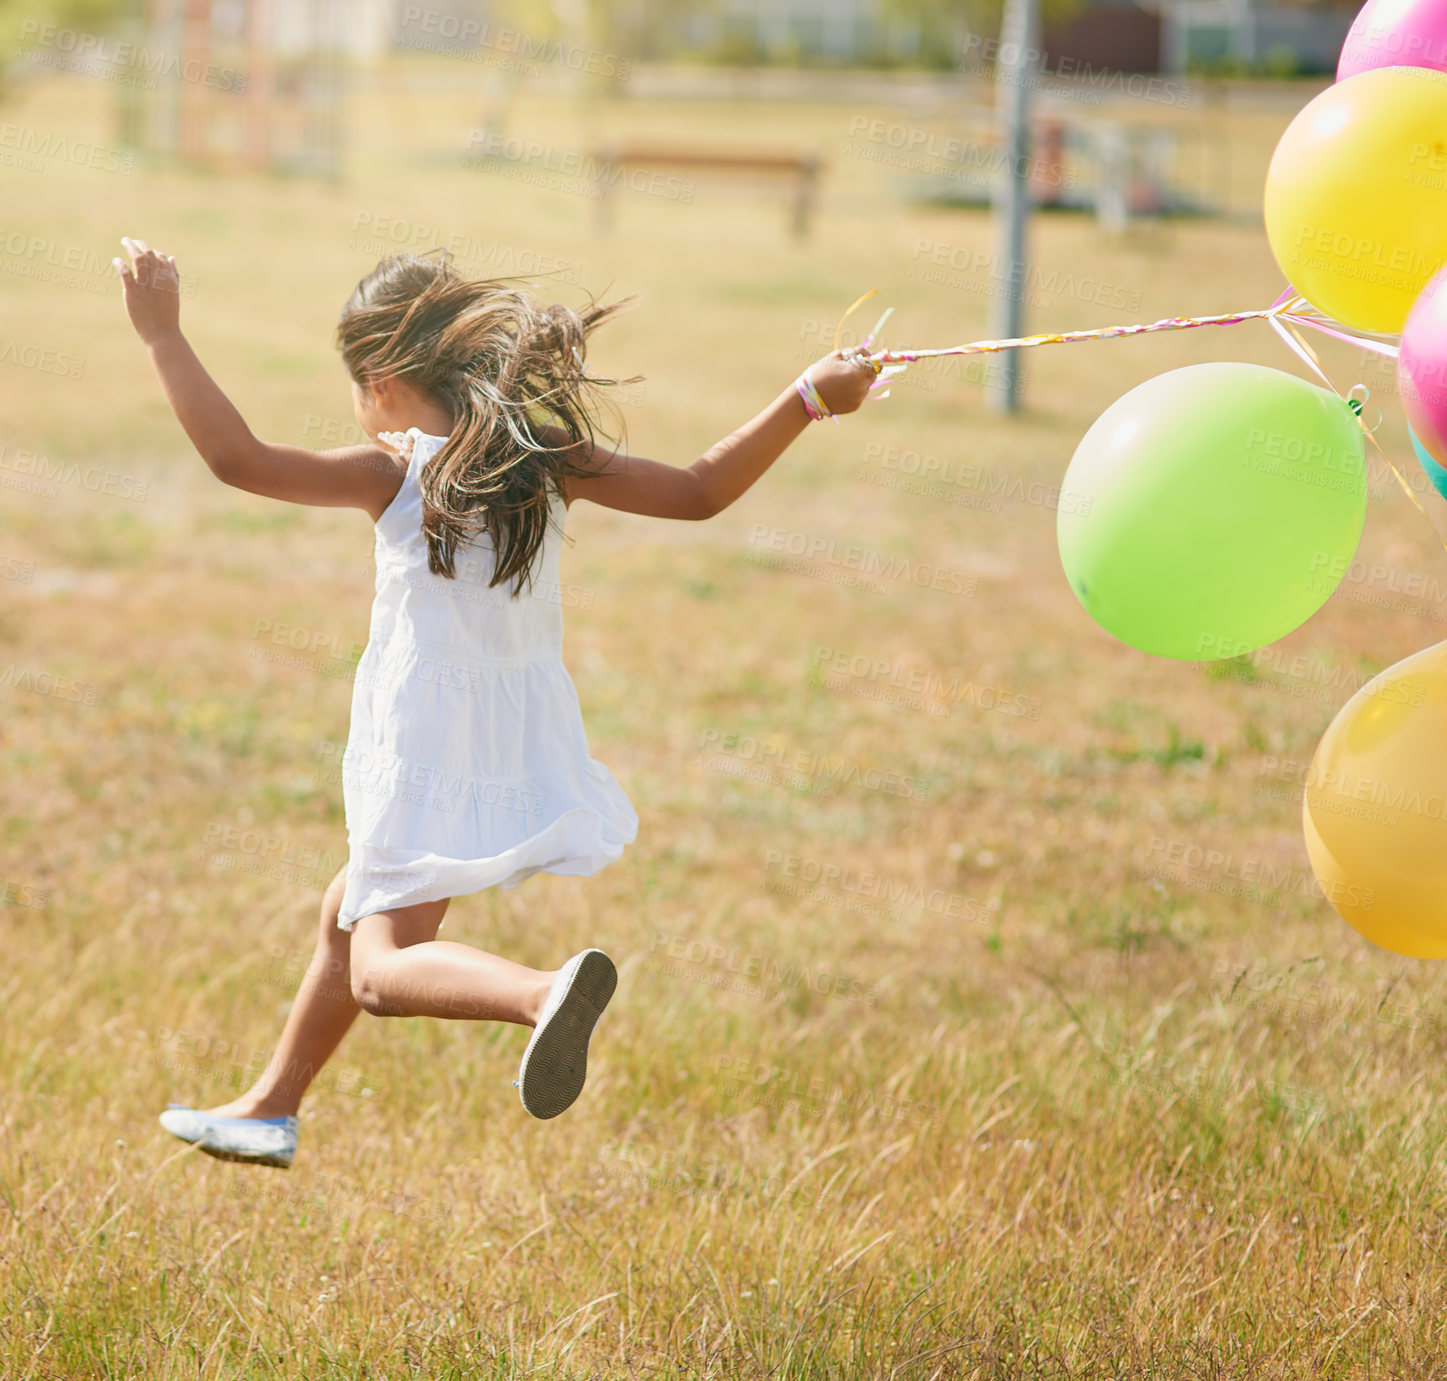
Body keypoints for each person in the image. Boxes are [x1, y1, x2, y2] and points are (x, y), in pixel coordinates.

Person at [114, 237, 883, 1168]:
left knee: (381, 970)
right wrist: (806, 397)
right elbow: (698, 491)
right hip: (511, 732)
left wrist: (162, 335)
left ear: (387, 380)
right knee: (347, 909)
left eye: (356, 385)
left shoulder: (390, 472)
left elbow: (237, 459)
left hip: (422, 736)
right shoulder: (542, 458)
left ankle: (539, 993)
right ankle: (270, 1106)